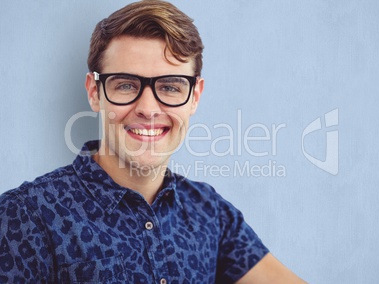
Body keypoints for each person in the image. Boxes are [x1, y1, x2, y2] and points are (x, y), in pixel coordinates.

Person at [0, 1, 306, 283]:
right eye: (126, 85)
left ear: (194, 97)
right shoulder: (26, 216)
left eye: (170, 87)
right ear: (95, 92)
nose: (148, 108)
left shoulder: (210, 213)